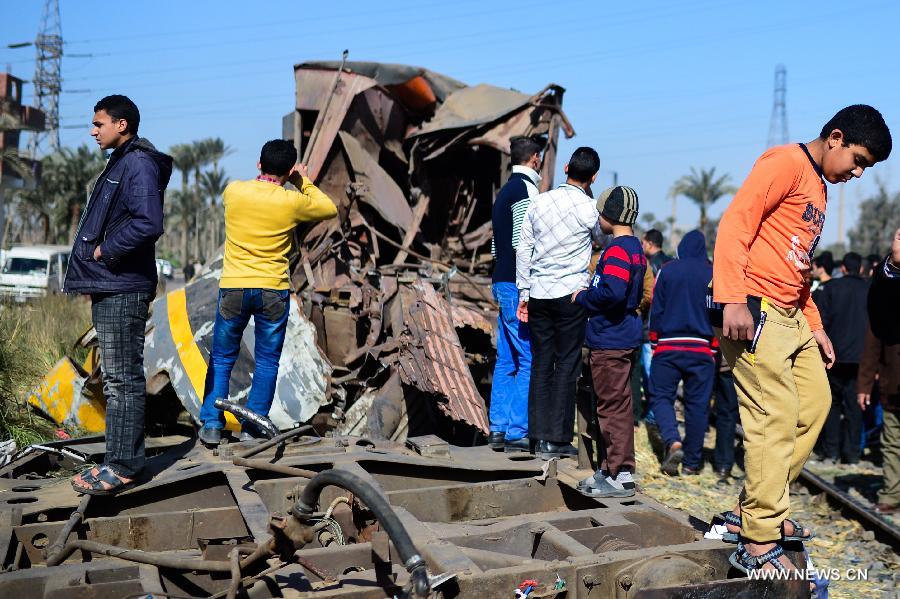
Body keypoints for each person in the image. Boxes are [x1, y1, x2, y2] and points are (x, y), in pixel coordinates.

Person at [713, 104, 891, 574]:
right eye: (857, 161)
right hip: (756, 310)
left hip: (792, 316)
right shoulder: (784, 164)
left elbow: (798, 266)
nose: (857, 173)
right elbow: (735, 224)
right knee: (775, 416)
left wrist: (814, 324)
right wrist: (732, 298)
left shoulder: (819, 187)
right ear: (835, 137)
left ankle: (755, 508)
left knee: (812, 407)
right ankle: (757, 537)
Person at [197, 140, 337, 444]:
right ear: (288, 170)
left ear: (259, 164)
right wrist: (301, 181)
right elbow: (329, 208)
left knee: (222, 358)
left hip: (233, 287)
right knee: (267, 361)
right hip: (273, 290)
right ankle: (253, 427)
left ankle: (211, 424)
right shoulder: (291, 201)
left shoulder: (233, 191)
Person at [68, 95, 172, 495]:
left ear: (122, 125)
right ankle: (117, 459)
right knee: (116, 379)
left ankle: (125, 465)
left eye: (99, 124)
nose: (93, 131)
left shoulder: (138, 164)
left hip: (123, 286)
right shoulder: (122, 161)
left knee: (122, 380)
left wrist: (104, 251)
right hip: (112, 284)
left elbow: (149, 223)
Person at [516, 147, 600, 460]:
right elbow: (600, 239)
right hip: (570, 296)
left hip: (538, 293)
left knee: (540, 363)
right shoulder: (590, 208)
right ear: (593, 177)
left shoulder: (538, 201)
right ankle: (558, 438)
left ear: (565, 167)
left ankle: (535, 437)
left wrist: (524, 293)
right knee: (566, 365)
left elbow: (524, 249)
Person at [573, 186, 645, 497]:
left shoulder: (616, 251)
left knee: (611, 407)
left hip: (610, 338)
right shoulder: (636, 248)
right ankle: (608, 469)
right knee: (616, 404)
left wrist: (583, 297)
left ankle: (621, 474)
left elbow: (613, 292)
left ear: (608, 215)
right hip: (624, 335)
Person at [488, 136, 542, 453]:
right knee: (528, 358)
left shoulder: (504, 192)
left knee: (506, 359)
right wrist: (527, 289)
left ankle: (498, 427)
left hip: (501, 279)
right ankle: (517, 431)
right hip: (516, 284)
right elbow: (524, 245)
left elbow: (499, 246)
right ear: (535, 159)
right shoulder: (526, 191)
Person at [647, 230, 716, 477]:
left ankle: (672, 440)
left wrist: (654, 343)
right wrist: (715, 347)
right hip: (702, 348)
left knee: (661, 395)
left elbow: (657, 308)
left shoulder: (667, 270)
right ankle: (691, 464)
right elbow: (718, 312)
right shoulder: (712, 273)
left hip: (668, 345)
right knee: (698, 406)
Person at [858, 227, 900, 514]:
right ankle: (892, 492)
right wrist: (895, 263)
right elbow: (874, 330)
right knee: (893, 440)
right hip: (895, 379)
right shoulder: (887, 285)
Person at [815, 252, 869, 465]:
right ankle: (853, 454)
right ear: (861, 269)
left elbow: (822, 321)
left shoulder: (831, 288)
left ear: (843, 268)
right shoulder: (869, 289)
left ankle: (831, 451)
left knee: (832, 404)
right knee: (855, 406)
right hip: (861, 357)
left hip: (834, 356)